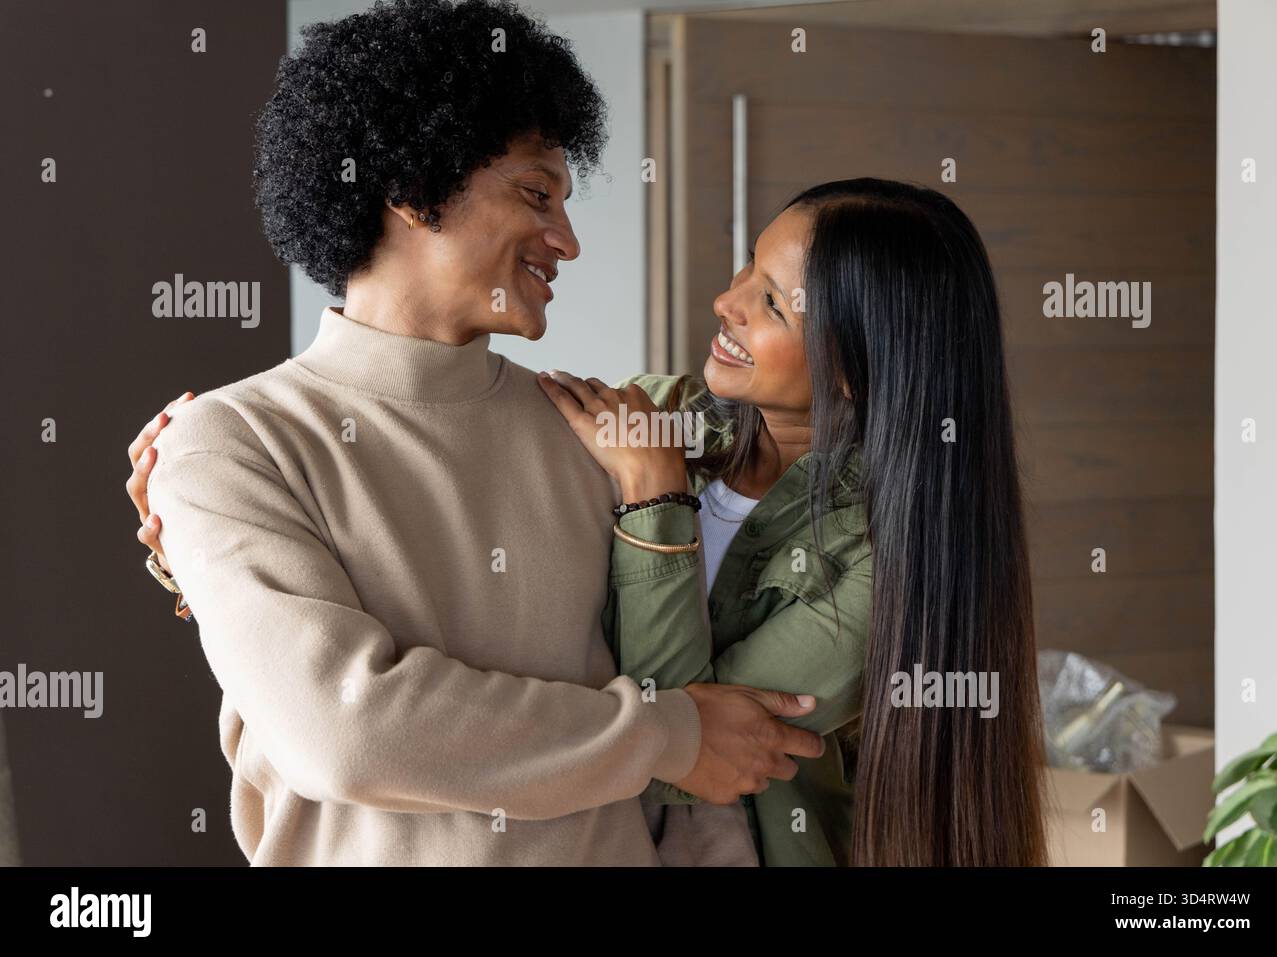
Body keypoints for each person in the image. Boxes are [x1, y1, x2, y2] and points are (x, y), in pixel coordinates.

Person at [122, 0, 824, 867]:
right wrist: (665, 735)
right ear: (416, 188)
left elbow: (687, 767)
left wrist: (676, 742)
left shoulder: (601, 436)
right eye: (536, 194)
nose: (566, 241)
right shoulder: (232, 443)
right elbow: (348, 732)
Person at [539, 178, 1049, 867]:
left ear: (857, 372)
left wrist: (656, 499)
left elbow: (682, 763)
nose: (727, 302)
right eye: (750, 262)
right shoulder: (660, 415)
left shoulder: (881, 568)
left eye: (772, 303)